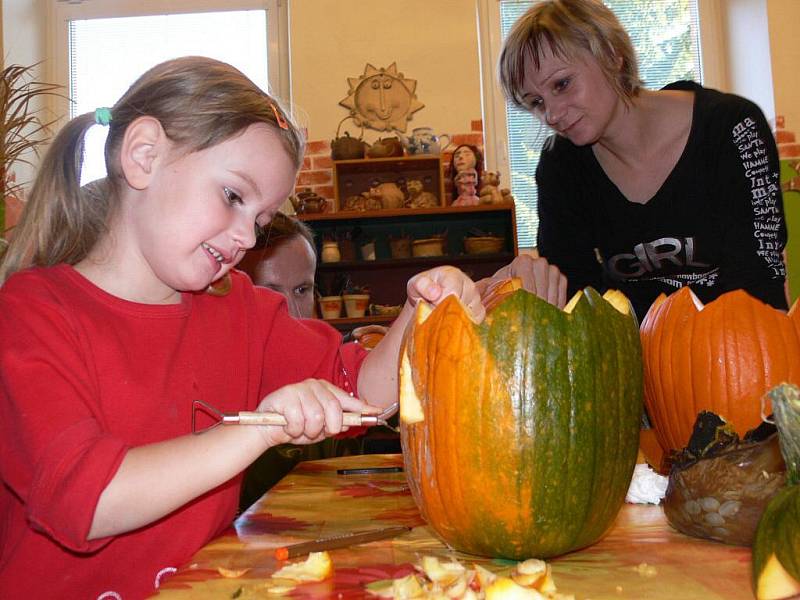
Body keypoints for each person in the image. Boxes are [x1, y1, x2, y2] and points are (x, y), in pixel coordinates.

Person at [0, 56, 485, 598]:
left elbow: (361, 393)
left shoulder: (241, 310)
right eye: (233, 196)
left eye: (259, 221)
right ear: (144, 156)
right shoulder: (31, 312)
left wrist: (422, 310)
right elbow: (85, 502)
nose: (248, 240)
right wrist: (261, 427)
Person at [497, 0, 788, 321]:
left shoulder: (732, 126)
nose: (551, 114)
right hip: (634, 358)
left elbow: (759, 274)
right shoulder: (561, 165)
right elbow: (578, 296)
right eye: (536, 102)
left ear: (610, 54)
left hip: (738, 347)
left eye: (562, 84)